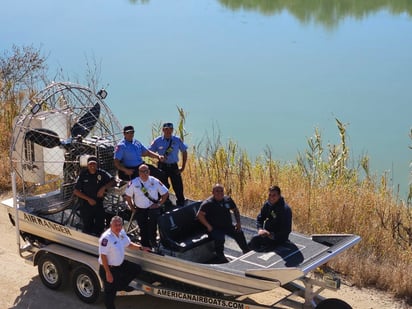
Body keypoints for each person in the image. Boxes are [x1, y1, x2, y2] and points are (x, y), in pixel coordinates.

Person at [98, 215, 149, 309]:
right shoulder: (106, 238)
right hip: (109, 268)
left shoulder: (121, 232)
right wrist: (108, 273)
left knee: (136, 269)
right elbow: (103, 256)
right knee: (110, 294)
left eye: (119, 225)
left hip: (120, 264)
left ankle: (122, 286)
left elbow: (128, 244)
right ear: (110, 225)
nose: (118, 227)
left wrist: (141, 248)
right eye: (115, 225)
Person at [197, 184, 250, 263]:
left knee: (239, 233)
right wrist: (208, 226)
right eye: (217, 191)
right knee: (220, 238)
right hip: (215, 228)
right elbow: (199, 215)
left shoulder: (227, 199)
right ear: (213, 192)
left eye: (221, 191)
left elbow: (235, 210)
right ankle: (220, 256)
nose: (220, 193)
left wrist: (238, 223)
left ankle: (246, 251)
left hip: (227, 226)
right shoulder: (208, 203)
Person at [124, 164, 169, 248]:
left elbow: (165, 193)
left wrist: (159, 204)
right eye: (142, 171)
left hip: (152, 209)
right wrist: (132, 208)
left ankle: (153, 244)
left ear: (149, 172)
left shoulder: (155, 181)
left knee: (152, 227)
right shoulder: (134, 183)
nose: (144, 173)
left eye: (146, 171)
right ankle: (145, 246)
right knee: (143, 228)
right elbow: (128, 196)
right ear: (139, 172)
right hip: (140, 210)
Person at [73, 156, 116, 236]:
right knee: (87, 228)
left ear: (97, 165)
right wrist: (88, 199)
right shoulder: (83, 174)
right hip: (86, 204)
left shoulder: (102, 173)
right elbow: (76, 191)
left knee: (100, 226)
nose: (92, 166)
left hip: (98, 203)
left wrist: (104, 188)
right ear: (87, 165)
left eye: (94, 164)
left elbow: (113, 181)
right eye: (90, 164)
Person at [149, 122, 188, 207]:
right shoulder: (157, 141)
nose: (168, 131)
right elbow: (149, 152)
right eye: (166, 129)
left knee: (178, 186)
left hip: (174, 166)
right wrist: (158, 157)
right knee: (162, 186)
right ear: (163, 130)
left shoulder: (177, 140)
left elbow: (184, 152)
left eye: (170, 129)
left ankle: (181, 203)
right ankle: (165, 202)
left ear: (173, 130)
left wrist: (183, 167)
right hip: (162, 166)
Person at [248, 185, 292, 252]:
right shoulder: (268, 205)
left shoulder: (285, 210)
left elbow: (287, 230)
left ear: (279, 196)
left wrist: (273, 235)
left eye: (274, 195)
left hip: (279, 237)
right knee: (252, 242)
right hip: (267, 233)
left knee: (258, 244)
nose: (271, 197)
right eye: (270, 195)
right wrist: (260, 229)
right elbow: (260, 218)